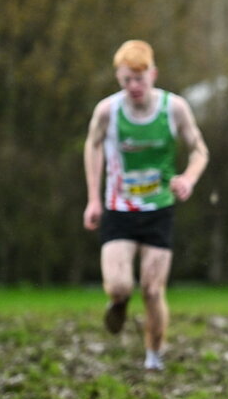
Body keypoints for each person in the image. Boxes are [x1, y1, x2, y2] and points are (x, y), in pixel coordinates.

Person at [83, 40, 209, 371]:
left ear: (153, 74)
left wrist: (189, 178)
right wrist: (94, 199)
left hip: (159, 209)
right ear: (118, 79)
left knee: (153, 290)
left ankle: (154, 356)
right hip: (119, 209)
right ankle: (119, 300)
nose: (134, 87)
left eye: (140, 79)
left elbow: (199, 150)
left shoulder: (174, 108)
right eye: (127, 80)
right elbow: (93, 147)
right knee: (121, 284)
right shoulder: (108, 111)